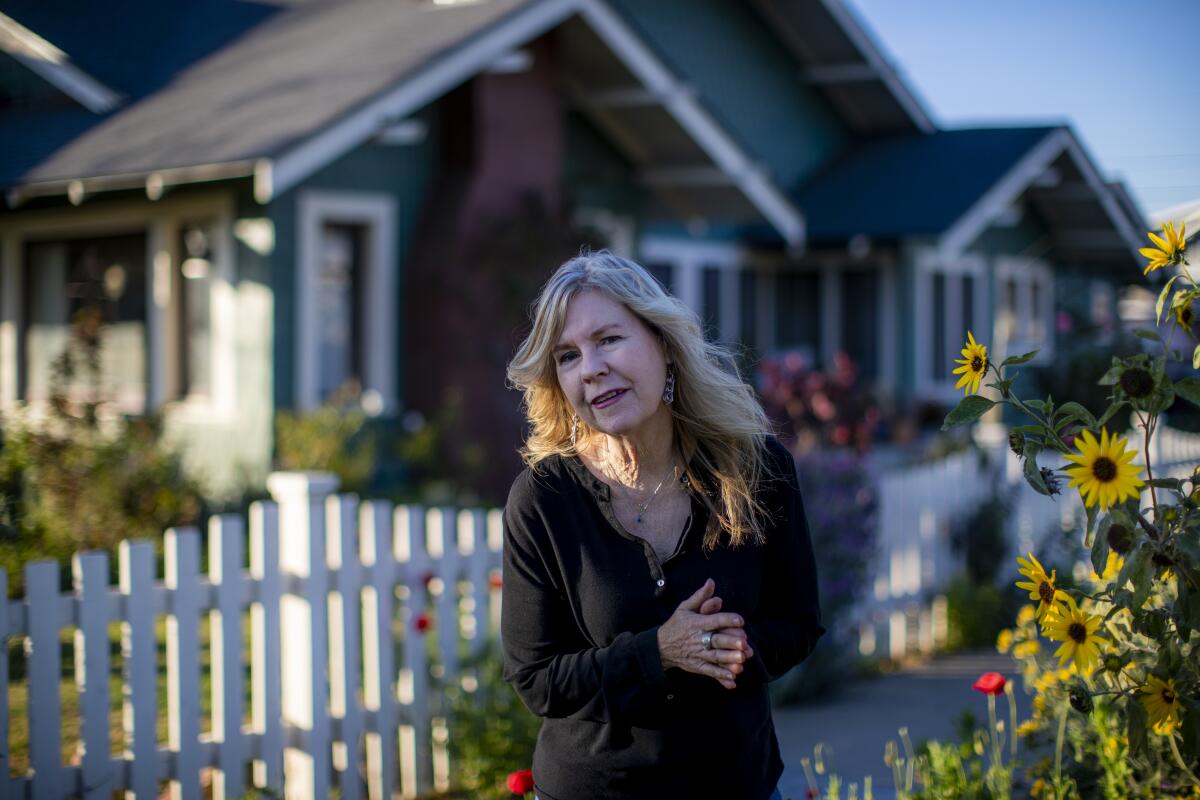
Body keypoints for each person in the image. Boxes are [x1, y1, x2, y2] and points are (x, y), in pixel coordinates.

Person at [502, 251, 824, 800]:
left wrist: (733, 646)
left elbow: (799, 621)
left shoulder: (759, 470)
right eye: (568, 356)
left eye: (608, 339)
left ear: (665, 345)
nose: (591, 367)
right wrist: (660, 653)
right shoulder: (544, 499)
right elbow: (536, 678)